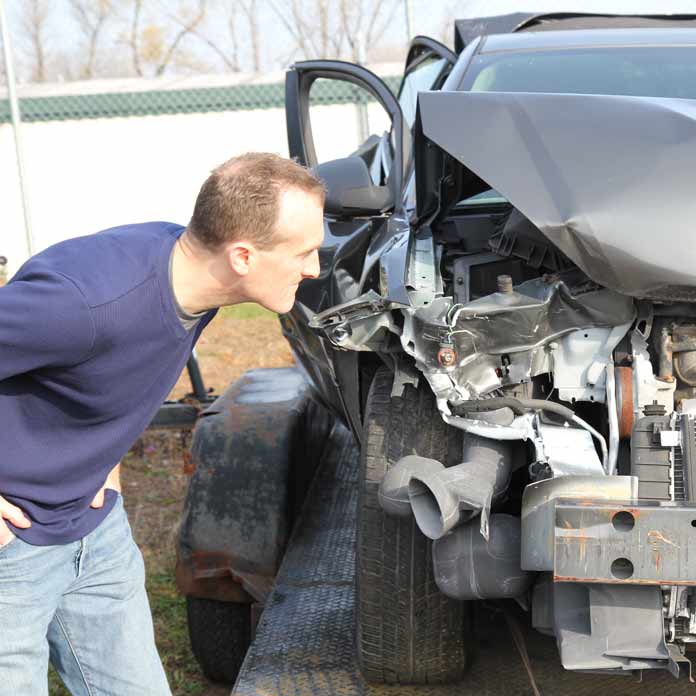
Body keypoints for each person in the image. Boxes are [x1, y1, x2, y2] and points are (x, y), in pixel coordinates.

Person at [0, 152, 325, 695]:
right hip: (10, 550)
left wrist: (103, 456)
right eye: (304, 251)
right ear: (243, 255)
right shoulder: (85, 303)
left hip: (94, 531)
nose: (314, 267)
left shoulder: (199, 279)